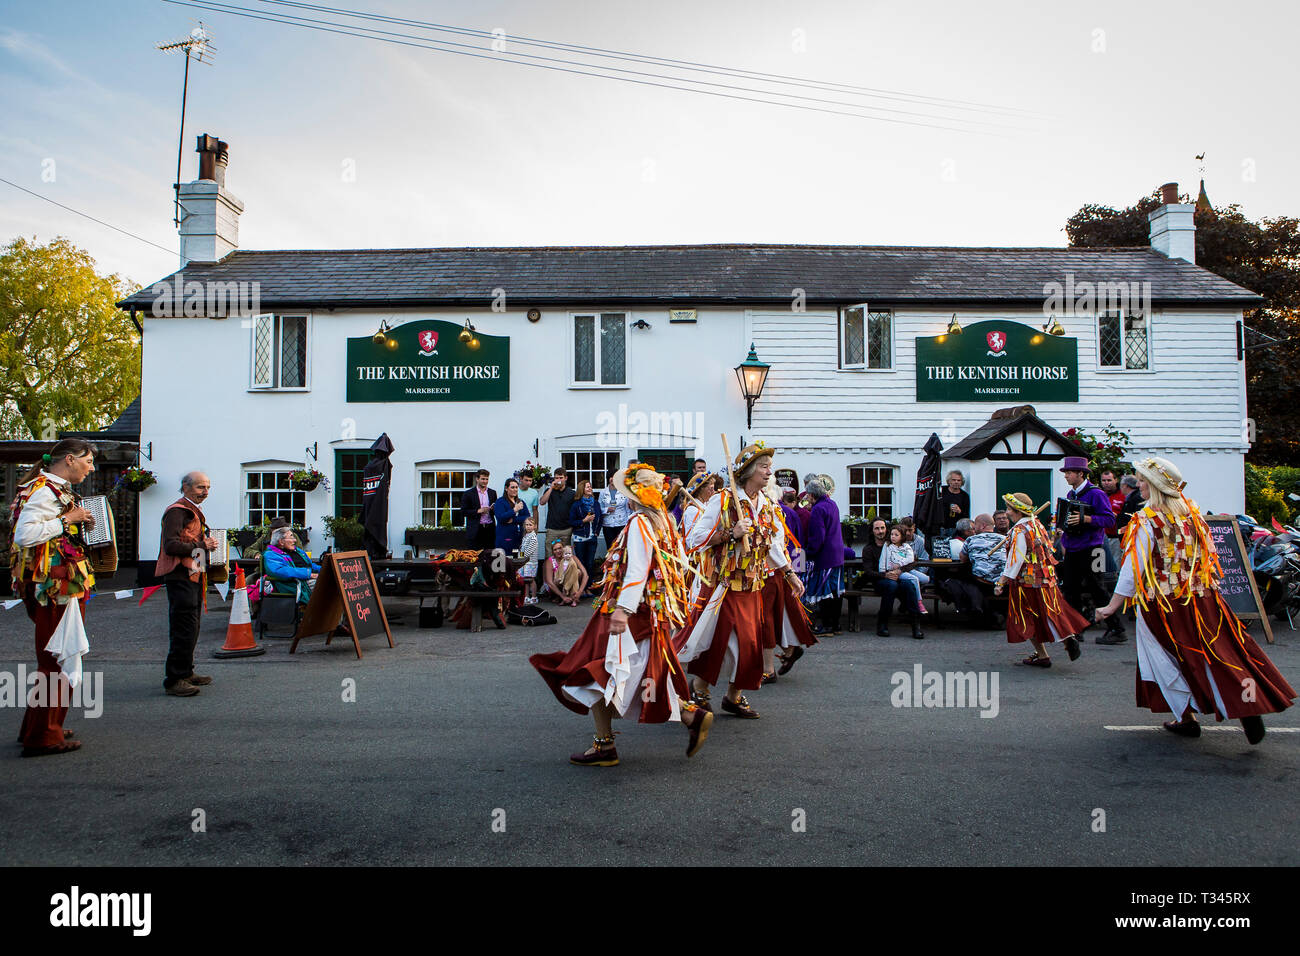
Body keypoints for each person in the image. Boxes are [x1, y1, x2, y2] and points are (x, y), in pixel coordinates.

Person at [1094, 457, 1296, 743]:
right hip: (1204, 599)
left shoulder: (1147, 520)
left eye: (1142, 480)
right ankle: (1245, 705)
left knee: (1165, 658)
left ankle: (1186, 716)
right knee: (1224, 653)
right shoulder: (1192, 515)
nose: (1138, 484)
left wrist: (1112, 605)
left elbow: (1132, 568)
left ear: (1155, 485)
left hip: (1164, 603)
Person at [531, 462, 712, 767]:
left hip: (628, 615)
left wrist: (623, 612)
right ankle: (687, 715)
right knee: (638, 672)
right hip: (650, 614)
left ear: (631, 497)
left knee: (595, 671)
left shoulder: (640, 524)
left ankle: (607, 744)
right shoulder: (665, 522)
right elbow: (677, 565)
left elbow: (638, 571)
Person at [675, 441, 804, 719]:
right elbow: (694, 538)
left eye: (769, 466)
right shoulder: (722, 500)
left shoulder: (768, 506)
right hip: (722, 584)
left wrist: (789, 575)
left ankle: (731, 695)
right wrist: (729, 534)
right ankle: (701, 689)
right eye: (764, 466)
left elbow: (774, 546)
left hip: (751, 585)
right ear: (748, 471)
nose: (770, 471)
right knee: (722, 640)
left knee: (749, 644)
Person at [10, 440, 97, 757]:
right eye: (87, 462)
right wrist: (67, 521)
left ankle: (38, 726)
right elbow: (24, 534)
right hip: (55, 586)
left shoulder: (47, 487)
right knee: (59, 657)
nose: (90, 468)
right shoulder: (45, 491)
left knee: (56, 656)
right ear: (70, 459)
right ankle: (44, 736)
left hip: (57, 583)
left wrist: (76, 522)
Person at [993, 493, 1088, 668]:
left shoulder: (1019, 530)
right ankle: (1065, 640)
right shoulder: (1037, 525)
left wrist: (1001, 582)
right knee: (1051, 611)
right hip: (1046, 578)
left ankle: (1044, 654)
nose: (1007, 513)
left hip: (1026, 582)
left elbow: (1015, 560)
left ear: (1017, 512)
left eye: (1008, 509)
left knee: (1026, 617)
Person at [158, 472, 219, 697]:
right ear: (185, 487)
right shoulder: (177, 511)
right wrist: (203, 545)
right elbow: (171, 546)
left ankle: (186, 671)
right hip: (180, 574)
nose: (205, 492)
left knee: (192, 626)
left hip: (193, 574)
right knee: (184, 627)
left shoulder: (191, 510)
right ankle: (174, 679)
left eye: (208, 487)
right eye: (200, 487)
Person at [1057, 456, 1125, 644]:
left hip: (1095, 548)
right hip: (1073, 548)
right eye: (1065, 473)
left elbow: (1110, 520)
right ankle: (1076, 628)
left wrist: (1087, 520)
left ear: (1081, 473)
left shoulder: (1096, 494)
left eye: (1069, 472)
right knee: (1070, 589)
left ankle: (1117, 628)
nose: (1066, 476)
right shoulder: (1072, 496)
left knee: (1098, 588)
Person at [760, 479, 818, 683]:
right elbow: (798, 542)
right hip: (784, 567)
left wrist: (792, 571)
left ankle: (770, 665)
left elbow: (786, 543)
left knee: (769, 617)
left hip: (774, 569)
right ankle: (789, 650)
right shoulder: (787, 511)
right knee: (781, 614)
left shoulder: (772, 511)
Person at [859, 517, 924, 638]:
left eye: (882, 528)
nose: (880, 531)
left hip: (899, 577)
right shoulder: (869, 549)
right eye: (877, 528)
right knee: (891, 585)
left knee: (909, 585)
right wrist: (885, 575)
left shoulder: (897, 543)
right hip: (880, 581)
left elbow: (913, 562)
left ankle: (916, 625)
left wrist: (900, 570)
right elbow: (868, 572)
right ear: (872, 531)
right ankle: (882, 624)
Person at [800, 474, 846, 634]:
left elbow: (817, 536)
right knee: (836, 591)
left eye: (807, 495)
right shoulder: (832, 504)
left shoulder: (818, 509)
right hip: (837, 554)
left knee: (826, 592)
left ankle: (826, 626)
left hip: (825, 556)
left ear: (812, 495)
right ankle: (836, 625)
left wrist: (809, 552)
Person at [262, 527, 320, 604]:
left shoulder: (298, 551)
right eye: (291, 537)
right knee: (327, 585)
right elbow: (281, 571)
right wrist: (309, 574)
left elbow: (310, 565)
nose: (295, 540)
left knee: (333, 580)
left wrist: (326, 569)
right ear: (281, 541)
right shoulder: (271, 554)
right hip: (294, 584)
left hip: (307, 580)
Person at [881, 524, 927, 615]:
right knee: (914, 579)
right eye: (892, 534)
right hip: (894, 572)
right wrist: (883, 571)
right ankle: (919, 602)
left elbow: (911, 558)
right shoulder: (888, 546)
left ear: (902, 536)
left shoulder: (906, 546)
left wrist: (900, 564)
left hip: (904, 569)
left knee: (926, 579)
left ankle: (909, 598)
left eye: (896, 535)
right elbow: (883, 559)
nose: (893, 537)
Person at [569, 479, 603, 585]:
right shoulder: (576, 505)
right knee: (581, 563)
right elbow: (571, 521)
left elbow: (600, 518)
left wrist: (597, 532)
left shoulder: (595, 503)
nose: (590, 488)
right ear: (582, 489)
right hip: (580, 537)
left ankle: (588, 586)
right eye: (587, 487)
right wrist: (584, 521)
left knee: (590, 563)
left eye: (590, 486)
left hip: (592, 537)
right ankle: (581, 587)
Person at [539, 467, 576, 554]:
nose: (558, 480)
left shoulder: (571, 493)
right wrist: (551, 488)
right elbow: (542, 502)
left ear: (565, 478)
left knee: (565, 554)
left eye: (561, 478)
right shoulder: (549, 490)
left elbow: (575, 511)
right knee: (549, 553)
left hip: (566, 529)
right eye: (556, 478)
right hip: (552, 529)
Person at [459, 469, 497, 550]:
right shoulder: (468, 494)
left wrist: (494, 509)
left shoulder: (492, 492)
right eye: (483, 479)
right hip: (476, 529)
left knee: (490, 555)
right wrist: (478, 511)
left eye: (487, 479)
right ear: (477, 479)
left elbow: (494, 511)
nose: (485, 481)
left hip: (489, 528)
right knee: (475, 556)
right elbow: (463, 512)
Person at [543, 540, 588, 606]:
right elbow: (549, 582)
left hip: (570, 584)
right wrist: (562, 597)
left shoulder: (572, 557)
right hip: (556, 586)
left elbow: (585, 575)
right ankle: (560, 597)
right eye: (555, 549)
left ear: (564, 548)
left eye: (560, 548)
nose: (558, 551)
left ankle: (574, 596)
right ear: (553, 552)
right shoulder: (550, 561)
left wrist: (580, 592)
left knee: (578, 572)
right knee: (557, 579)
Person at [492, 477, 530, 553]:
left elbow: (527, 517)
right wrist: (514, 510)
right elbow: (501, 518)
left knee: (518, 561)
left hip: (519, 537)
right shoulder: (500, 502)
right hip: (505, 537)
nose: (515, 489)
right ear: (506, 488)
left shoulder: (520, 501)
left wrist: (514, 520)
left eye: (516, 487)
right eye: (512, 487)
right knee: (505, 561)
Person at [598, 467, 630, 549]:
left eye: (615, 477)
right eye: (610, 477)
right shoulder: (603, 492)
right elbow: (599, 508)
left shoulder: (624, 491)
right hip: (608, 525)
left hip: (621, 524)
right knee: (610, 547)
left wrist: (628, 523)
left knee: (621, 547)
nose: (612, 479)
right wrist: (607, 510)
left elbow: (628, 509)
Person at [517, 516, 539, 603]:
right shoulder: (526, 536)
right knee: (525, 580)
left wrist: (520, 557)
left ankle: (533, 596)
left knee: (531, 579)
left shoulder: (533, 537)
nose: (528, 526)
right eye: (526, 525)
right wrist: (520, 556)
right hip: (524, 562)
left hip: (531, 562)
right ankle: (526, 596)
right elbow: (522, 549)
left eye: (530, 525)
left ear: (535, 526)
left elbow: (528, 552)